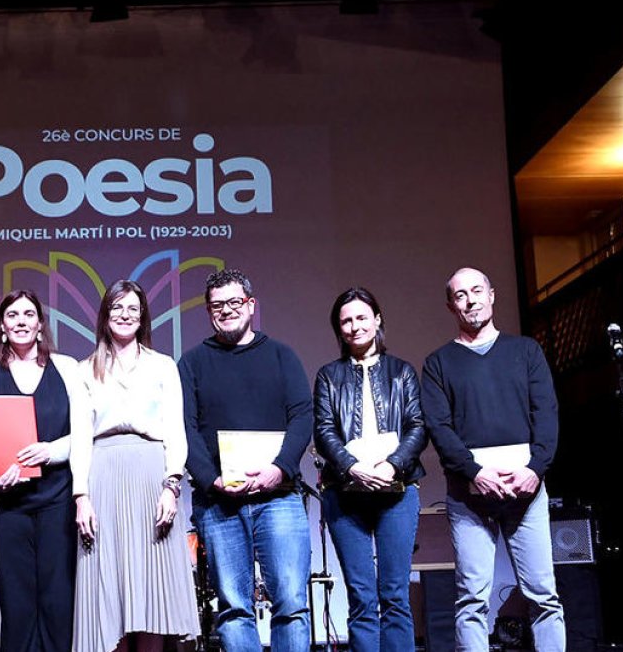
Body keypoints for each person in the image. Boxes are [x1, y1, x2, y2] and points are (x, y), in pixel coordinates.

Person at [421, 267, 565, 652]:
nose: (471, 300)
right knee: (472, 599)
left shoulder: (526, 351)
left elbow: (546, 414)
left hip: (526, 488)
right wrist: (474, 472)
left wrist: (535, 470)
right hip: (469, 495)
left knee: (543, 596)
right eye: (461, 295)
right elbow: (438, 425)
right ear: (451, 305)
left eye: (477, 291)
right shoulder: (438, 363)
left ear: (492, 294)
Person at [178, 268, 313, 651]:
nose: (227, 310)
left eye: (234, 302)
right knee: (233, 608)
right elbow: (185, 428)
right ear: (208, 311)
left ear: (251, 305)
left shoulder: (281, 356)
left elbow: (302, 416)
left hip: (279, 497)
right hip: (219, 502)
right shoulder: (192, 363)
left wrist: (280, 469)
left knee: (290, 602)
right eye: (217, 305)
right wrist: (211, 479)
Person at [72, 280, 200, 652]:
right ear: (105, 316)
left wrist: (171, 485)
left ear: (142, 315)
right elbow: (81, 437)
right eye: (117, 308)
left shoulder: (162, 366)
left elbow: (175, 431)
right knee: (107, 594)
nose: (125, 315)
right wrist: (82, 495)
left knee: (151, 593)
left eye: (133, 308)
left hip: (151, 475)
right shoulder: (86, 369)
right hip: (104, 476)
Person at [0, 289, 88, 652]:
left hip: (57, 504)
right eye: (12, 315)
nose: (20, 321)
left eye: (28, 314)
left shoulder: (66, 369)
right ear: (2, 325)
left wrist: (49, 451)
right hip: (10, 506)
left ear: (40, 324)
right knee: (15, 607)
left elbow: (83, 434)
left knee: (58, 603)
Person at [313, 287, 427, 652]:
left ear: (377, 320)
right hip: (345, 493)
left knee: (395, 594)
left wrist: (393, 466)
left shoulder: (402, 372)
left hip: (398, 490)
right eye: (345, 321)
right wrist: (351, 467)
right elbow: (324, 429)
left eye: (361, 317)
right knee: (362, 597)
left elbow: (417, 426)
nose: (354, 326)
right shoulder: (328, 376)